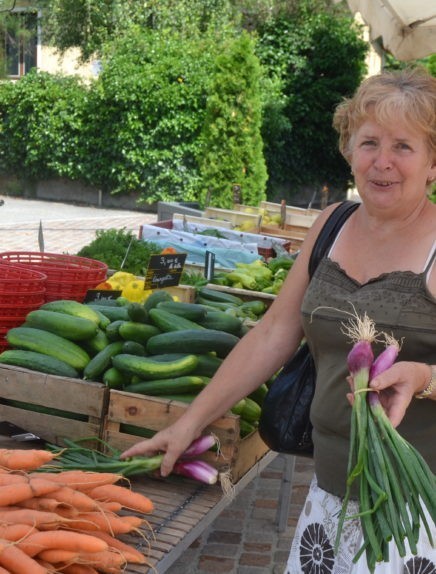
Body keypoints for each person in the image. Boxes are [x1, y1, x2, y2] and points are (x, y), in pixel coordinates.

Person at [121, 66, 436, 573]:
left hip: (417, 509)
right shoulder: (333, 225)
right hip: (330, 496)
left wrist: (423, 377)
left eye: (403, 146)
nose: (382, 162)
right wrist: (188, 425)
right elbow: (271, 335)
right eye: (369, 142)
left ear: (432, 163)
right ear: (349, 150)